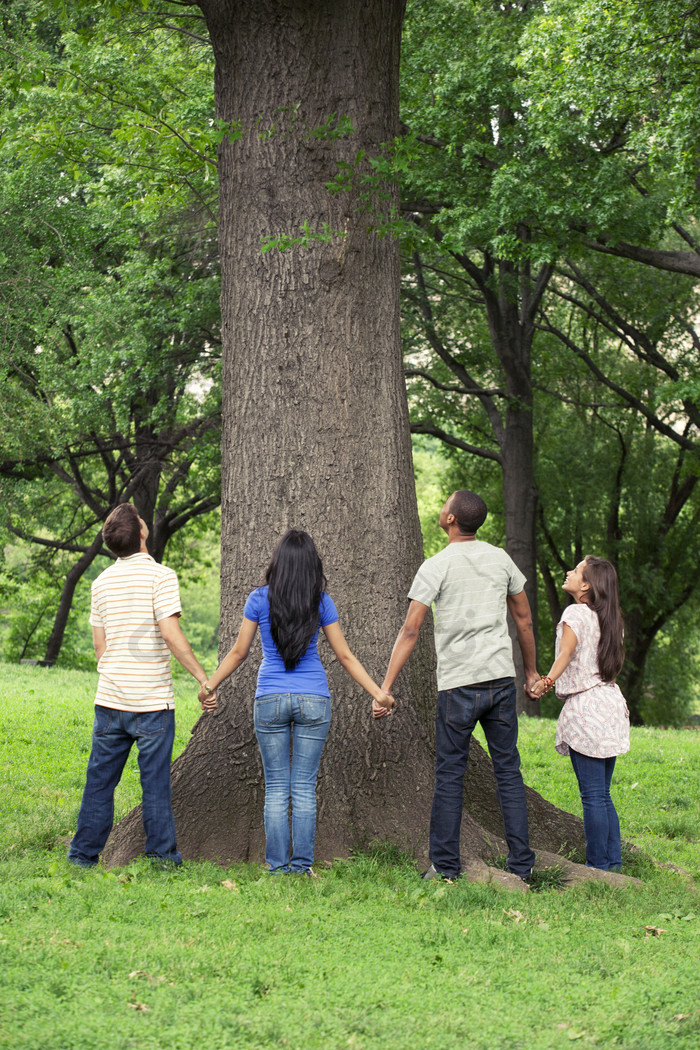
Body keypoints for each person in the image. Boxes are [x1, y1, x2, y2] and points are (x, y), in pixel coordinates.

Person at [198, 529, 395, 875]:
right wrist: (378, 692)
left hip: (270, 698)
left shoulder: (259, 599)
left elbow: (239, 652)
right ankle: (301, 866)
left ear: (277, 564)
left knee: (276, 787)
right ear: (311, 567)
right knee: (303, 787)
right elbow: (345, 656)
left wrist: (209, 684)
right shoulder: (321, 602)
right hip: (314, 698)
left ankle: (277, 868)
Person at [381, 490, 539, 882]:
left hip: (458, 686)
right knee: (508, 772)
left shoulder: (437, 565)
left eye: (444, 504)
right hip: (501, 680)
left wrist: (385, 686)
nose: (441, 509)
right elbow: (524, 621)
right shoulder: (501, 559)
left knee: (450, 774)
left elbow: (411, 629)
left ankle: (446, 868)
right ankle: (523, 865)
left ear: (451, 519)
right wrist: (532, 673)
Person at [68, 503, 216, 868]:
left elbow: (100, 647)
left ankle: (82, 857)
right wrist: (203, 678)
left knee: (99, 784)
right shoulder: (161, 577)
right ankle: (163, 859)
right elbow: (170, 632)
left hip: (110, 701)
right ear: (142, 532)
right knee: (155, 787)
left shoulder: (100, 582)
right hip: (152, 703)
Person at [531, 556, 629, 871]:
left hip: (587, 709)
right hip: (611, 705)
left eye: (575, 571)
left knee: (593, 797)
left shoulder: (576, 613)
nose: (568, 573)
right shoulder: (613, 620)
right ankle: (612, 863)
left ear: (586, 585)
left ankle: (598, 866)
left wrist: (545, 683)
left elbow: (566, 653)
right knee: (603, 794)